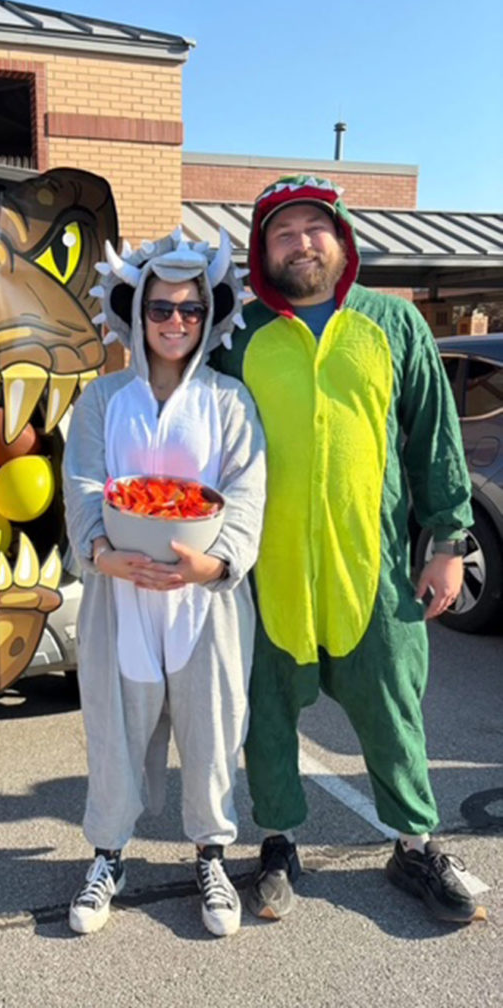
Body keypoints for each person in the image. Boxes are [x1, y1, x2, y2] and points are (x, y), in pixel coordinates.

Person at [211, 174, 479, 925]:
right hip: (268, 573)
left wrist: (447, 542)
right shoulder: (238, 336)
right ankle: (275, 842)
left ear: (341, 237)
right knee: (265, 712)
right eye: (282, 232)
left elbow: (434, 440)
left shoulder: (392, 323)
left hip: (374, 568)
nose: (301, 242)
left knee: (394, 710)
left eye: (313, 228)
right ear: (262, 251)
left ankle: (415, 844)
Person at [62, 229, 266, 936]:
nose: (174, 322)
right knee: (115, 731)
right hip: (120, 597)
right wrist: (97, 550)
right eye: (159, 309)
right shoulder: (100, 401)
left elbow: (244, 491)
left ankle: (210, 854)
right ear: (134, 312)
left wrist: (217, 563)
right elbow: (84, 482)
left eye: (187, 309)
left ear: (207, 315)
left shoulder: (230, 401)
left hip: (203, 598)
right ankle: (108, 854)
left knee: (212, 729)